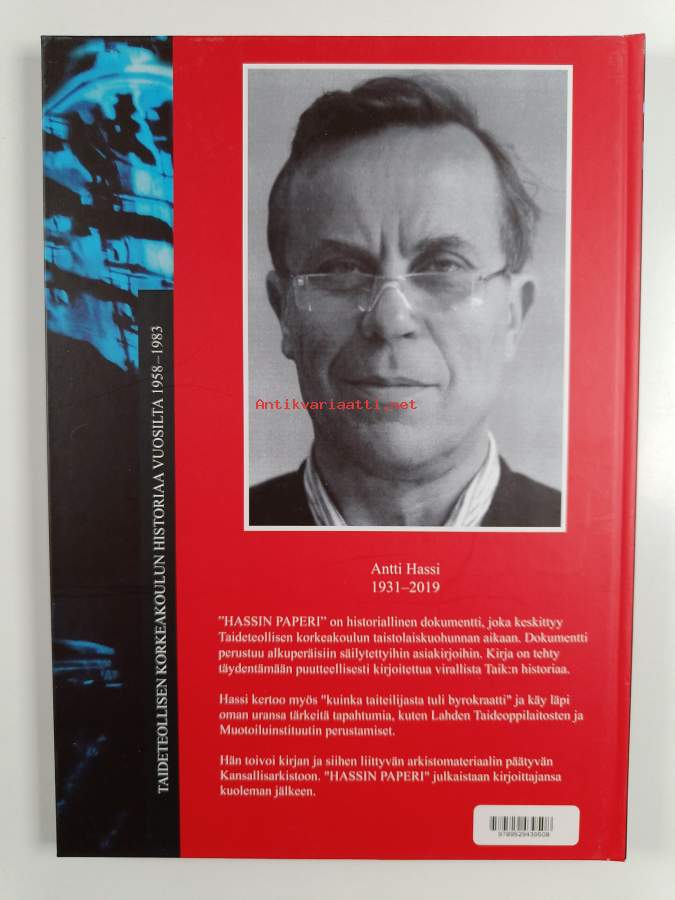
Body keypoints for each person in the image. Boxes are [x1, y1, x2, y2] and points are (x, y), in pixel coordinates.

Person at [250, 75, 561, 528]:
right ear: (284, 313)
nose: (390, 318)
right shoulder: (197, 541)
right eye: (341, 269)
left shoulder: (590, 543)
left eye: (444, 266)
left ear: (514, 315)